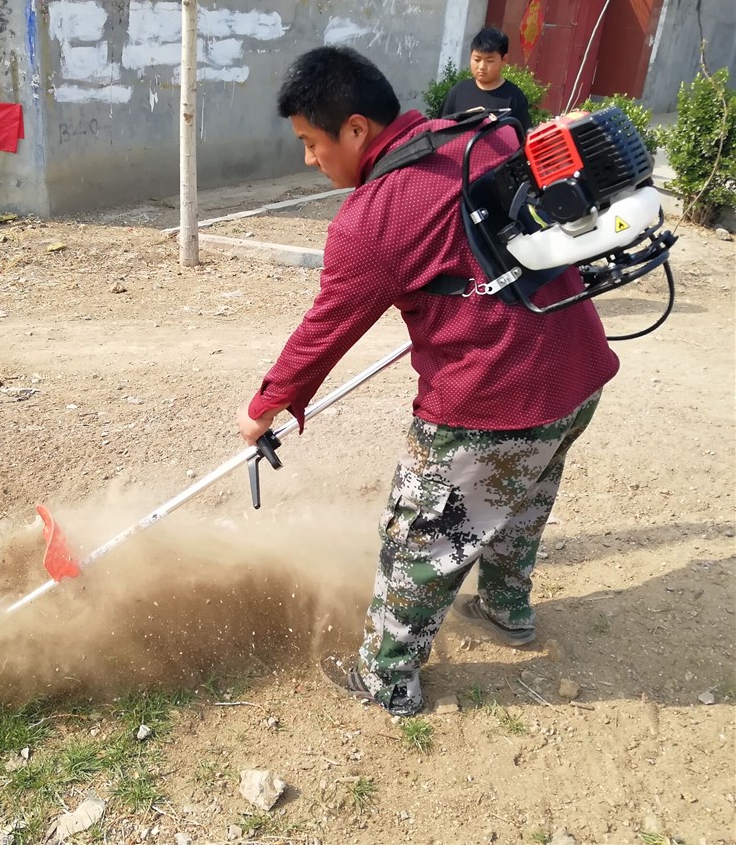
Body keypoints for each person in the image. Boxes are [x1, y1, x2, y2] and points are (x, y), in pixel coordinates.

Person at [235, 46, 618, 717]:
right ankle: (506, 607)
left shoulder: (372, 220)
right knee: (520, 494)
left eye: (310, 142)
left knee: (420, 538)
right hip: (579, 370)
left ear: (355, 130)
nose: (308, 159)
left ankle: (386, 680)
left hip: (494, 399)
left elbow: (323, 332)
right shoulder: (483, 132)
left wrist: (264, 407)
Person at [441, 27, 531, 132]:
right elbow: (440, 131)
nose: (482, 66)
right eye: (477, 59)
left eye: (490, 61)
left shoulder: (515, 97)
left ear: (504, 60)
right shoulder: (457, 92)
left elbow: (522, 139)